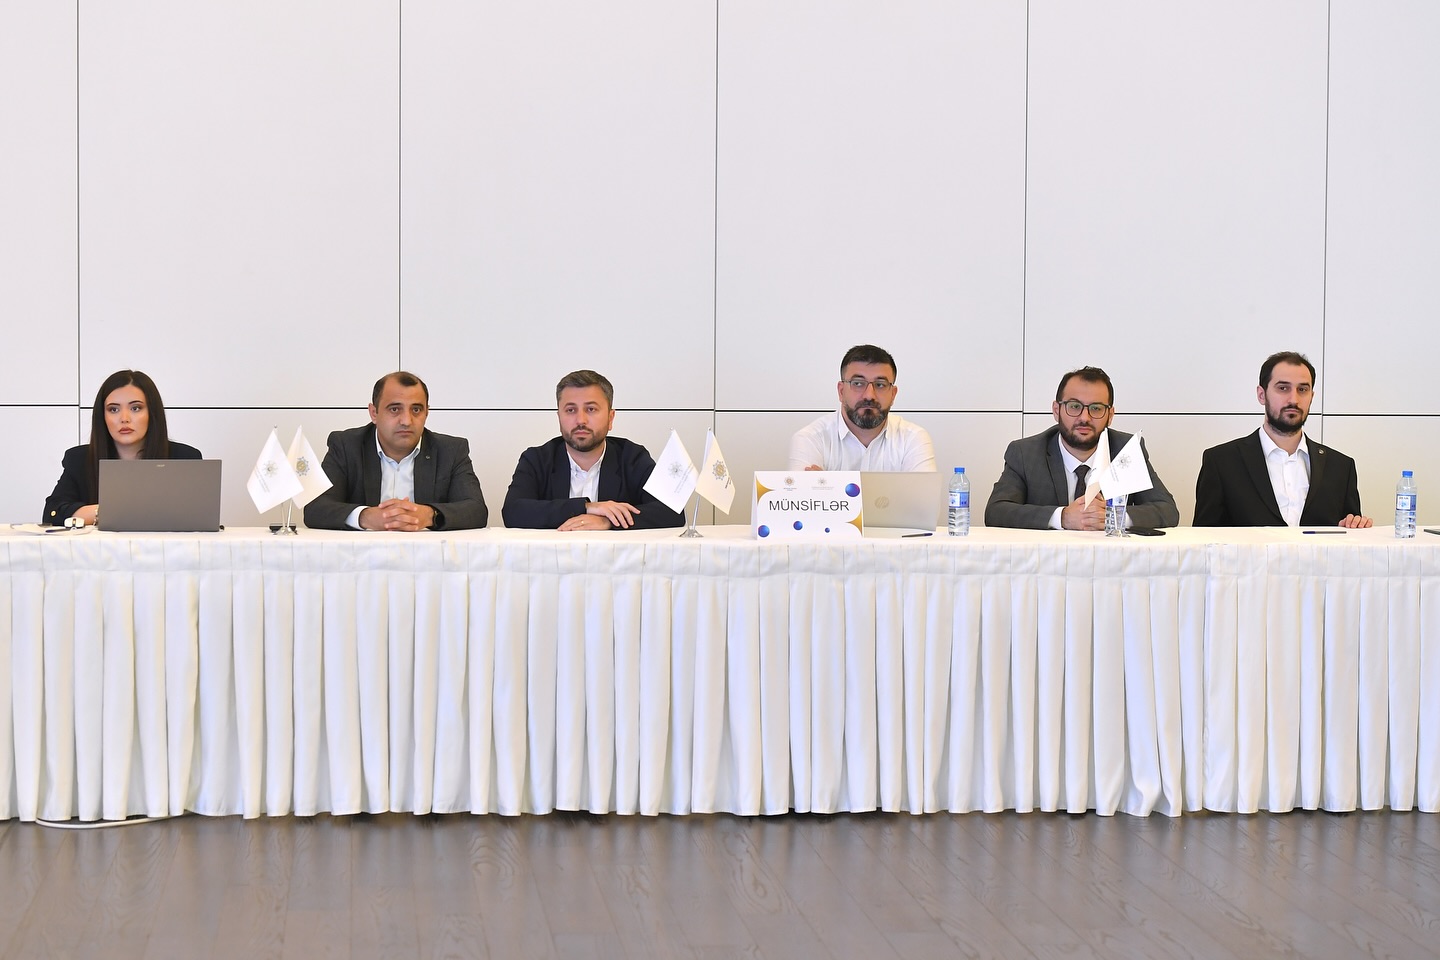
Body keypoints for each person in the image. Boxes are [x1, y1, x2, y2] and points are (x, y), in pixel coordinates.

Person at [985, 366, 1179, 530]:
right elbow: (996, 511)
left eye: (1096, 408)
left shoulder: (1126, 450)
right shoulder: (1025, 453)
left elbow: (1168, 511)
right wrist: (1062, 517)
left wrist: (1113, 517)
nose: (1084, 418)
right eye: (1074, 406)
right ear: (1056, 410)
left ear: (1110, 415)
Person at [1194, 351, 1371, 528]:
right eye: (1283, 388)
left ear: (1311, 397)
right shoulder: (1221, 462)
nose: (1293, 399)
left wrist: (1356, 526)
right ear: (1261, 395)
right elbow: (1202, 540)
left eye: (1302, 390)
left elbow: (1351, 537)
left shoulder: (1341, 467)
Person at [303, 371, 488, 531]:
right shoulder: (346, 446)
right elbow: (315, 508)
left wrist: (429, 515)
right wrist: (365, 516)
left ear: (427, 412)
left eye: (416, 409)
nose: (406, 420)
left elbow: (476, 510)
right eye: (394, 409)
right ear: (374, 413)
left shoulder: (451, 451)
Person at [502, 370, 684, 531]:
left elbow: (673, 510)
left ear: (610, 418)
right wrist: (588, 507)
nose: (580, 420)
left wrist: (608, 521)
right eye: (570, 410)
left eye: (591, 409)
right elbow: (513, 512)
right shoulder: (537, 459)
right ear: (559, 417)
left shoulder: (632, 457)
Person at [43, 369, 203, 526]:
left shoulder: (185, 458)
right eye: (113, 409)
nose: (124, 418)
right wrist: (106, 511)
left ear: (152, 413)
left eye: (135, 408)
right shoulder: (79, 459)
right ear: (102, 416)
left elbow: (200, 515)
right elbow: (53, 513)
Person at [788, 344, 936, 472]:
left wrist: (829, 488)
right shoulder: (811, 439)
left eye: (880, 385)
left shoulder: (912, 438)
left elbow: (922, 497)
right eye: (858, 383)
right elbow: (804, 496)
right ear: (841, 391)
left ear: (893, 394)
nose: (869, 395)